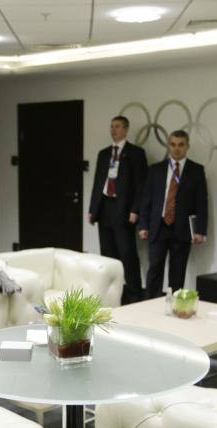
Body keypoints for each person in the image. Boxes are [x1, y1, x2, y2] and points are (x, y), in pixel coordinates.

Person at [138, 130, 209, 298]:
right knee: (155, 268)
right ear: (169, 145)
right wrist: (143, 225)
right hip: (159, 226)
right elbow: (147, 199)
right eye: (173, 144)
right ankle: (149, 306)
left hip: (182, 229)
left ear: (187, 147)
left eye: (181, 145)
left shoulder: (196, 170)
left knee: (177, 272)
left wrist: (200, 231)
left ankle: (175, 307)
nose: (176, 149)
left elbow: (202, 203)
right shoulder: (156, 169)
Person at [88, 115, 148, 304]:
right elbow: (98, 182)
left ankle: (134, 293)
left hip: (123, 209)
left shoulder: (135, 153)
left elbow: (141, 184)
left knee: (127, 253)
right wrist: (92, 208)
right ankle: (112, 293)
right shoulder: (104, 153)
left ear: (126, 130)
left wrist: (135, 209)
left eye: (117, 127)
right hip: (105, 206)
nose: (113, 130)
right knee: (108, 254)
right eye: (111, 126)